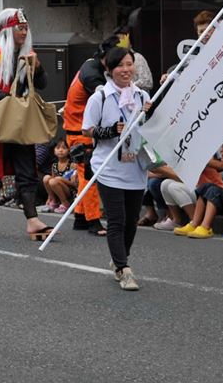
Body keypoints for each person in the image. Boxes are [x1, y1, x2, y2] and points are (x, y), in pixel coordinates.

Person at [0, 8, 52, 240]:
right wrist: (10, 101)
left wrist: (38, 68)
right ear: (7, 31)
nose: (24, 32)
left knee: (26, 168)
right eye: (19, 28)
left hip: (21, 121)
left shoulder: (29, 56)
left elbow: (43, 83)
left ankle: (32, 220)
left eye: (25, 28)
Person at [82, 46, 152, 291]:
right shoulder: (100, 97)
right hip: (108, 168)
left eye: (129, 64)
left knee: (132, 220)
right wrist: (110, 131)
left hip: (135, 166)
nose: (126, 69)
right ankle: (124, 269)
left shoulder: (142, 96)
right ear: (109, 69)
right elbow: (87, 130)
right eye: (120, 65)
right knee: (117, 219)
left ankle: (119, 258)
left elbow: (150, 127)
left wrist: (150, 114)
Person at [60, 36, 120, 237]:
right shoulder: (93, 77)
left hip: (76, 129)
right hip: (81, 132)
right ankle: (93, 221)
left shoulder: (90, 66)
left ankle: (80, 217)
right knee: (90, 177)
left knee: (84, 175)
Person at [171, 135, 223, 239]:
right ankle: (194, 224)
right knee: (206, 187)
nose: (222, 150)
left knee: (214, 191)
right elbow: (217, 164)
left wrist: (200, 156)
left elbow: (220, 166)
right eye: (222, 147)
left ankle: (206, 227)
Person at [39, 138, 78, 213]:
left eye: (64, 148)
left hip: (69, 191)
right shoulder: (54, 165)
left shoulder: (72, 164)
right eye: (58, 148)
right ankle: (53, 200)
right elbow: (51, 182)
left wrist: (61, 179)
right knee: (46, 178)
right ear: (54, 151)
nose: (60, 150)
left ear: (69, 150)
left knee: (54, 181)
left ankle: (65, 203)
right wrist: (49, 197)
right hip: (57, 189)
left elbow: (75, 184)